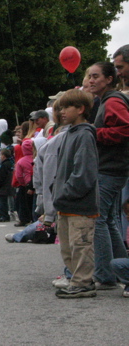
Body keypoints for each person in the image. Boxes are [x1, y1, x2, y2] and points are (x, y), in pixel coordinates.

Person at [51, 88, 99, 298]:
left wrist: (64, 193)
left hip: (80, 204)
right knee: (68, 247)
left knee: (81, 246)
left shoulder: (85, 135)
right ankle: (75, 278)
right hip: (66, 203)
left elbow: (84, 173)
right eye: (60, 107)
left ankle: (84, 282)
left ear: (80, 109)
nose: (61, 111)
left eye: (66, 107)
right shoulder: (69, 133)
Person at [88, 61, 129, 289]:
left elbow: (124, 129)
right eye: (90, 77)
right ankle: (118, 270)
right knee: (109, 221)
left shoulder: (112, 101)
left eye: (96, 76)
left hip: (111, 169)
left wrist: (94, 132)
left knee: (99, 220)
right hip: (114, 169)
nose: (92, 80)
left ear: (109, 79)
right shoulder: (107, 101)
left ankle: (104, 274)